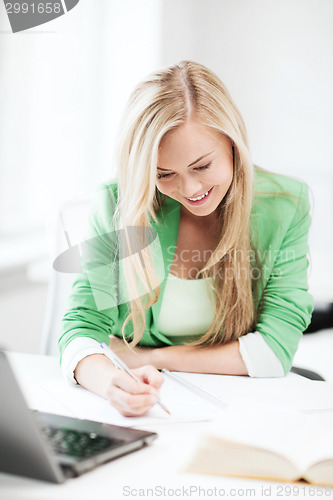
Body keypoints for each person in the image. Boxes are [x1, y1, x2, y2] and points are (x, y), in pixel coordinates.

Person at [58, 61, 313, 417]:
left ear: (233, 145)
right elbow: (80, 331)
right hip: (149, 409)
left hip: (236, 411)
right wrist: (109, 382)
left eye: (202, 166)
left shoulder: (286, 205)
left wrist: (152, 358)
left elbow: (275, 351)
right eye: (164, 174)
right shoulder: (118, 204)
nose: (190, 189)